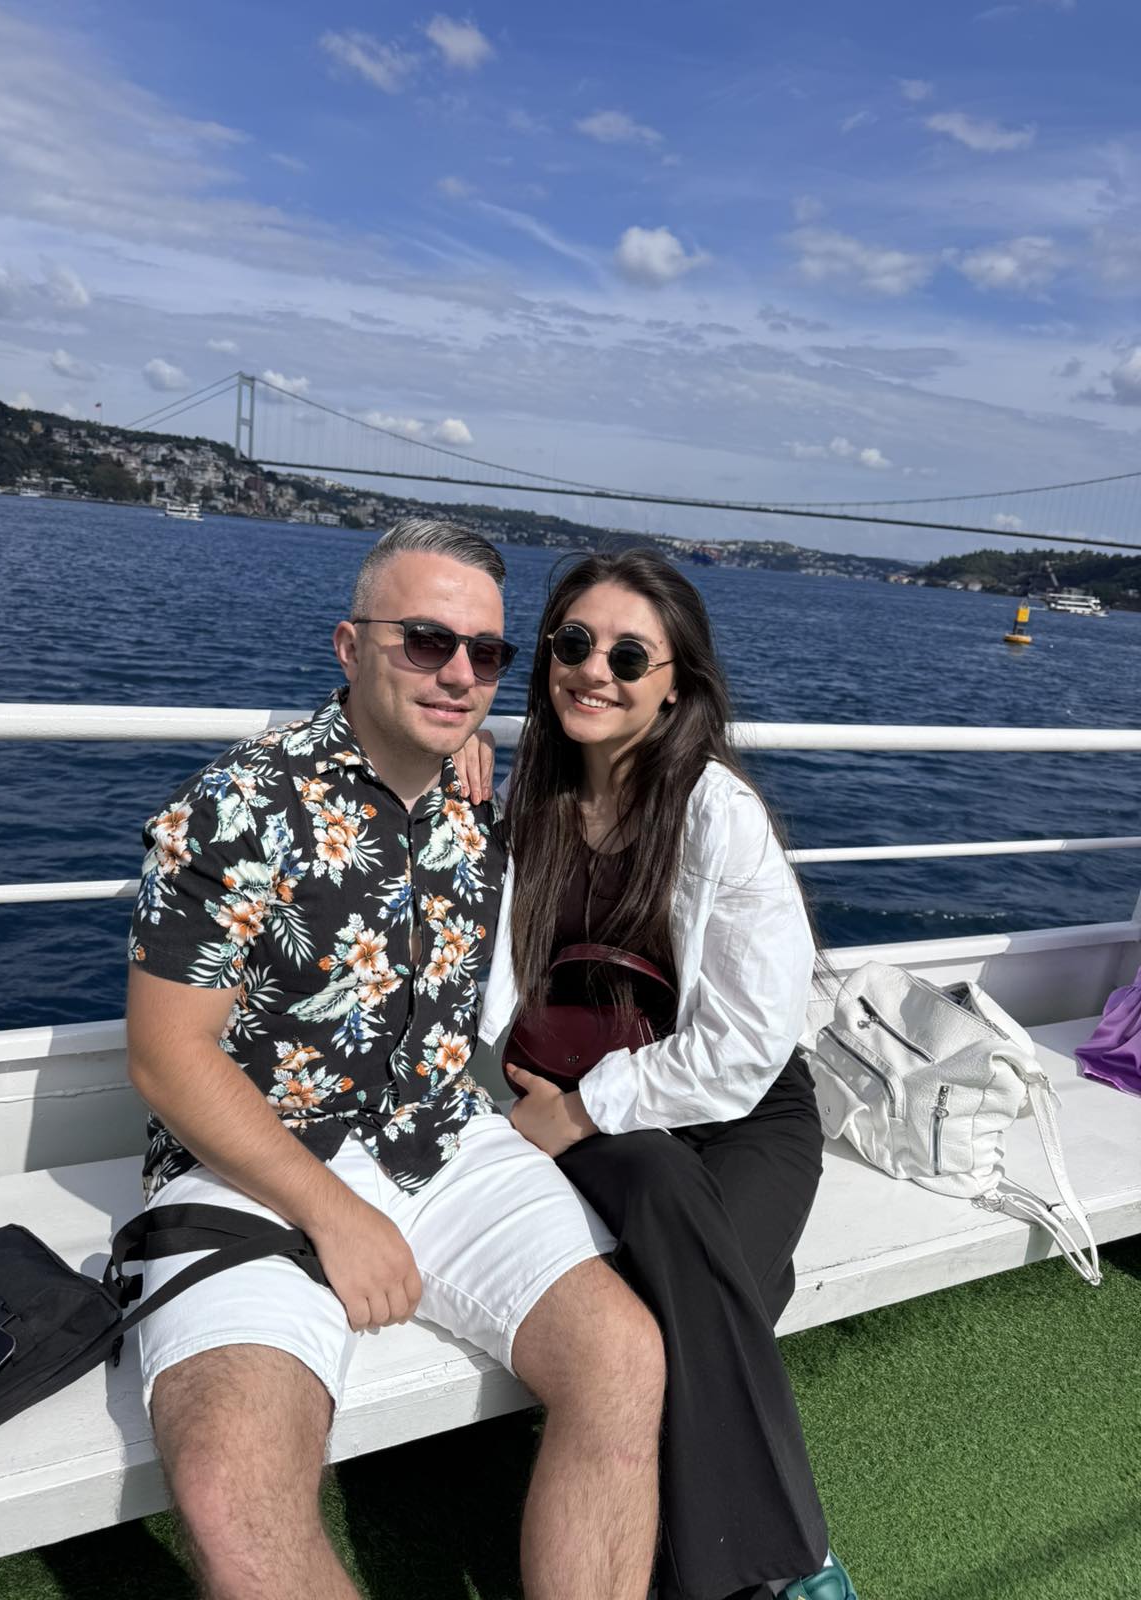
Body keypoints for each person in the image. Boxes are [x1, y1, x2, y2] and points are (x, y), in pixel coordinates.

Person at [124, 518, 666, 1600]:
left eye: (486, 653)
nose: (459, 673)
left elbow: (633, 771)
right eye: (425, 641)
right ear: (349, 645)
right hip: (251, 1165)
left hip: (442, 1134)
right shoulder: (240, 805)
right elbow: (167, 1055)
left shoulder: (480, 802)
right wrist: (333, 1212)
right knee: (233, 1491)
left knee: (624, 1359)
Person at [476, 548, 859, 1600]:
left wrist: (584, 1109)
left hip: (741, 1112)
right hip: (583, 1109)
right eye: (573, 642)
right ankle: (785, 1569)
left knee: (671, 1298)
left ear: (675, 685)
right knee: (689, 1248)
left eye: (629, 655)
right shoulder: (528, 800)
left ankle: (724, 1570)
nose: (593, 670)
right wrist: (455, 765)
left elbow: (745, 1046)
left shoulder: (714, 811)